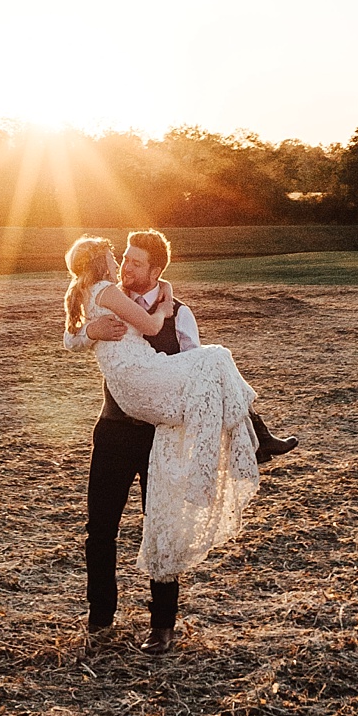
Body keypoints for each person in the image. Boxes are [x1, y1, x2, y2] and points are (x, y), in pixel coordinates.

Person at [62, 230, 297, 652]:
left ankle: (163, 626)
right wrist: (90, 332)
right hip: (114, 431)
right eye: (124, 260)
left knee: (162, 523)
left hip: (160, 434)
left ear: (155, 271)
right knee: (100, 528)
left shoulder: (181, 314)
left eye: (135, 263)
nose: (126, 267)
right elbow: (72, 333)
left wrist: (168, 306)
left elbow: (193, 373)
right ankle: (100, 620)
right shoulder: (108, 296)